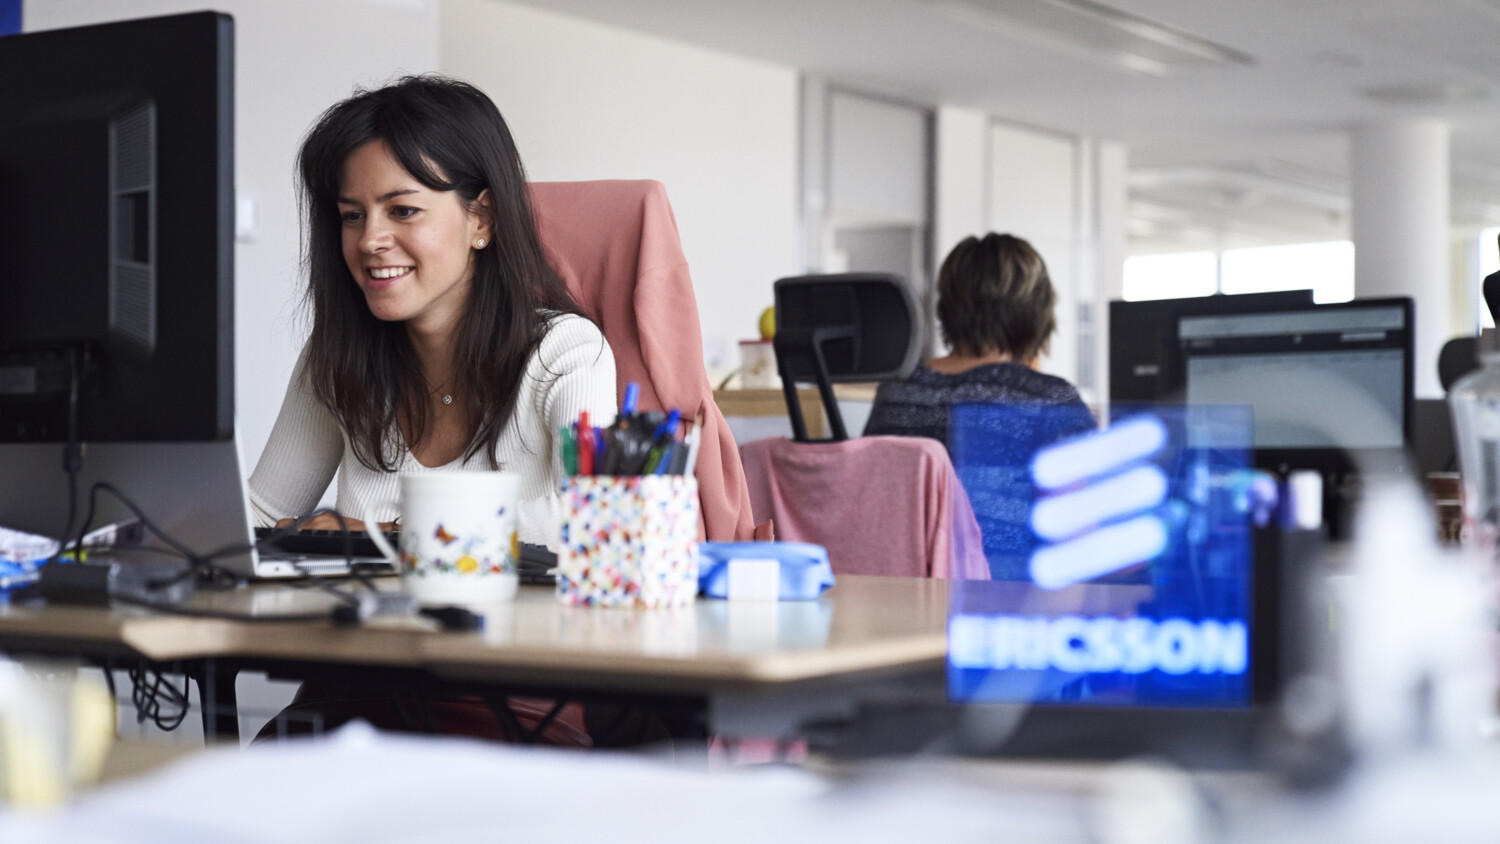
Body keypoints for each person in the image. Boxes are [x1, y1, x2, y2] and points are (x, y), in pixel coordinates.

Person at [248, 75, 616, 549]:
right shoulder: (336, 357)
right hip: (369, 623)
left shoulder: (566, 354)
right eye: (352, 216)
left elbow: (599, 516)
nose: (369, 240)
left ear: (481, 219)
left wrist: (395, 535)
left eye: (402, 211)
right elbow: (261, 515)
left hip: (521, 624)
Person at [862, 232, 1091, 447]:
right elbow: (1098, 486)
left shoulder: (896, 392)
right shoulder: (1049, 398)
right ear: (1037, 310)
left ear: (947, 304)